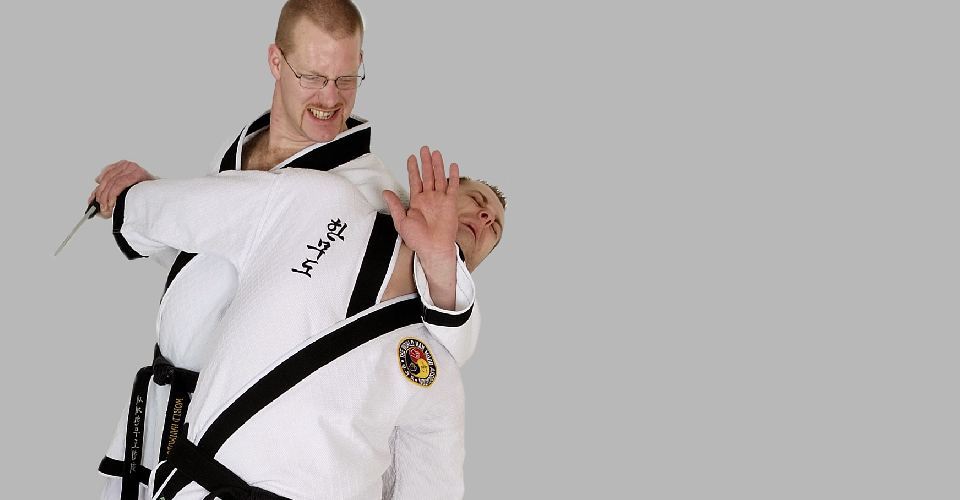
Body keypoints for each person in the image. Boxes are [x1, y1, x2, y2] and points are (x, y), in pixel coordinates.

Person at [89, 2, 482, 499]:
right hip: (162, 418)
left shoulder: (367, 194)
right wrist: (156, 204)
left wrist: (444, 273)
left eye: (346, 79)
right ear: (276, 61)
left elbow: (440, 339)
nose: (330, 98)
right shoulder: (240, 152)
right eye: (313, 77)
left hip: (243, 447)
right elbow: (237, 269)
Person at [109, 148, 505, 499]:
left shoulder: (438, 367)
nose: (486, 218)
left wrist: (439, 262)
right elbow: (199, 209)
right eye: (476, 200)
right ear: (433, 192)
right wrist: (132, 197)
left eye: (495, 229)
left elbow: (431, 487)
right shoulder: (320, 201)